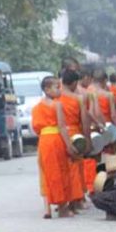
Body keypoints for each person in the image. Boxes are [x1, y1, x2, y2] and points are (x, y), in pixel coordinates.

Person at [32, 75, 74, 218]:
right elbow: (62, 127)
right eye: (57, 87)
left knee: (45, 173)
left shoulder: (36, 108)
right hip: (56, 140)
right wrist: (69, 146)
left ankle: (47, 209)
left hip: (44, 140)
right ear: (47, 89)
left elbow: (35, 129)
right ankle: (62, 208)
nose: (60, 89)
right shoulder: (57, 105)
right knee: (60, 171)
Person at [58, 69, 88, 207]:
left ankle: (63, 200)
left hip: (58, 135)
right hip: (75, 133)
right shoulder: (78, 98)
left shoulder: (54, 98)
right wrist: (88, 139)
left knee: (62, 168)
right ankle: (77, 199)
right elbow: (84, 120)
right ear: (74, 82)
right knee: (75, 168)